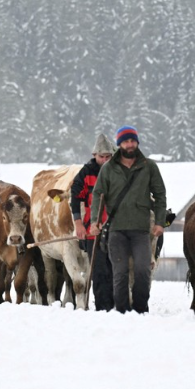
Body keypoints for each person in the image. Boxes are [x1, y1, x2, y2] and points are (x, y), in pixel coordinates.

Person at [88, 125, 167, 314]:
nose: (130, 144)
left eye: (132, 140)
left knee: (142, 270)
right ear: (119, 144)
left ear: (137, 142)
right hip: (116, 229)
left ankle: (141, 309)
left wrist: (159, 222)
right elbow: (98, 194)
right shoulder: (108, 168)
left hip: (141, 230)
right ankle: (122, 311)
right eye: (125, 141)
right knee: (120, 272)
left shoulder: (149, 166)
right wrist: (94, 222)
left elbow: (160, 194)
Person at [71, 133, 116, 311]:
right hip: (93, 230)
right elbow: (75, 197)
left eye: (107, 157)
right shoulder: (87, 172)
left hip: (116, 230)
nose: (104, 160)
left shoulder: (118, 171)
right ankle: (102, 308)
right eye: (101, 157)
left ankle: (117, 308)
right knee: (99, 271)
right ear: (94, 155)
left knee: (116, 270)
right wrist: (78, 223)